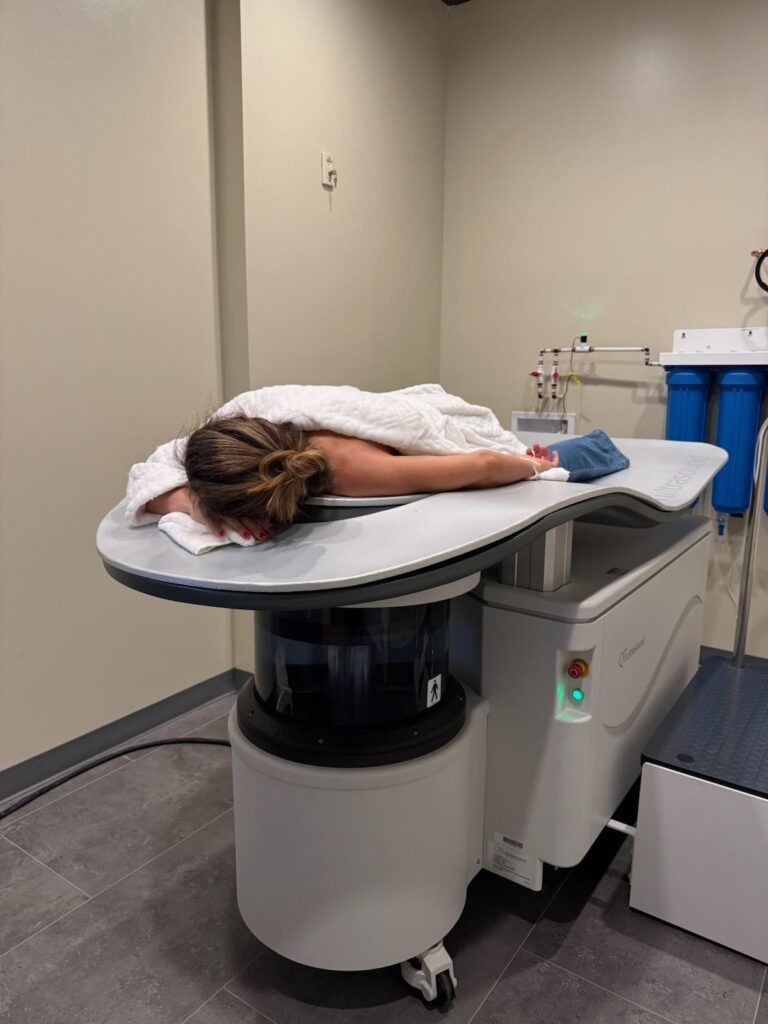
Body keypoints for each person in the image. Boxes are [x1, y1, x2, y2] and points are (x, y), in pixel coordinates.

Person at [140, 413, 559, 544]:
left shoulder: (351, 472)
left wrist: (535, 466)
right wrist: (190, 501)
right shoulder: (246, 436)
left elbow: (483, 464)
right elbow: (147, 477)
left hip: (440, 422)